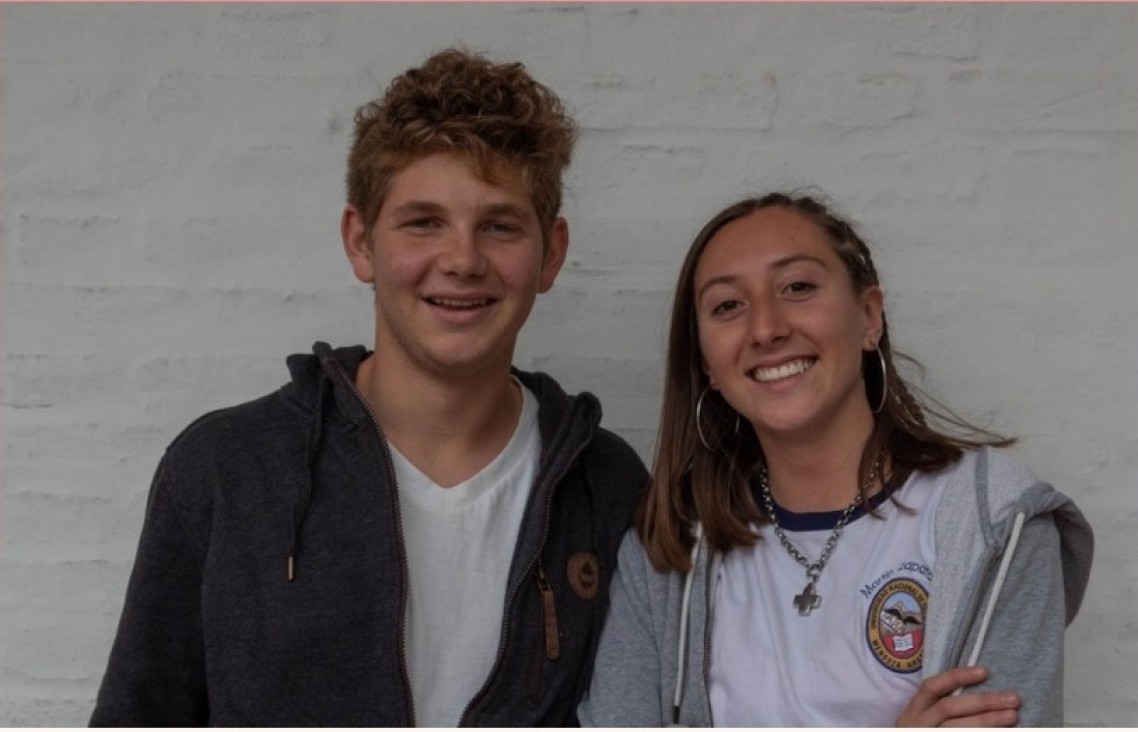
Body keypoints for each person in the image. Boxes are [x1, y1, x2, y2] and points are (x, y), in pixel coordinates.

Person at [90, 49, 647, 726]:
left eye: (499, 225)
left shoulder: (607, 486)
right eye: (423, 222)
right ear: (360, 242)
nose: (462, 260)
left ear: (551, 253)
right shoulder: (226, 468)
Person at [578, 193, 1094, 726]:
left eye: (797, 288)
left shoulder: (996, 519)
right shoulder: (669, 545)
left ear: (869, 317)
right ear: (706, 362)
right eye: (727, 305)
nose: (766, 328)